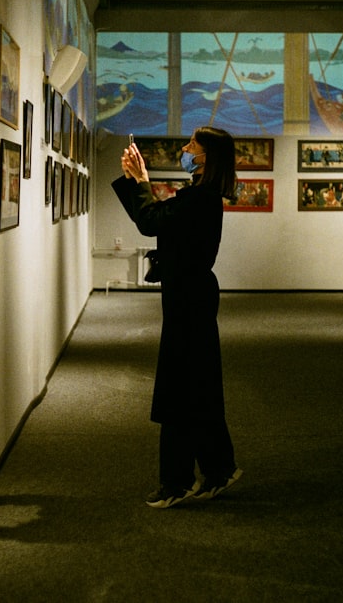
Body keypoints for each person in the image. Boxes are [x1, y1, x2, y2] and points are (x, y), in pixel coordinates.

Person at [112, 126, 243, 509]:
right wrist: (142, 181)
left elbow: (152, 222)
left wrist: (141, 181)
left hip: (190, 299)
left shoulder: (201, 198)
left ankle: (178, 481)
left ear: (206, 158)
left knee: (179, 389)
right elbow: (162, 221)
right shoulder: (200, 196)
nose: (184, 150)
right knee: (195, 386)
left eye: (191, 146)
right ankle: (217, 468)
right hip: (190, 296)